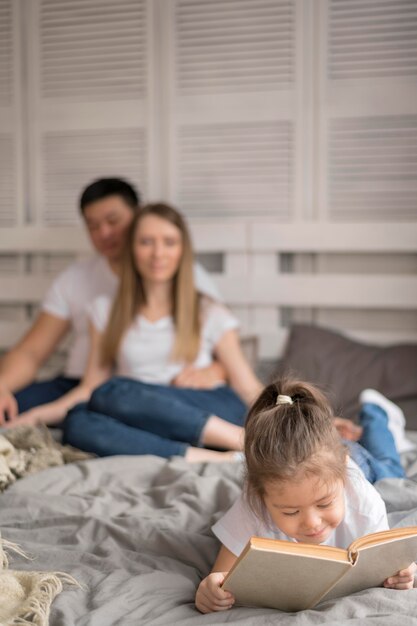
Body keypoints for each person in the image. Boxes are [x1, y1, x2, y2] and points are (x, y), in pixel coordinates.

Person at [12, 203, 264, 462]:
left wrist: (285, 418)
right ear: (131, 249)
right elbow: (89, 388)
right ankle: (217, 459)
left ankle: (251, 443)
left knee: (113, 391)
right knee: (77, 421)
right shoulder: (104, 311)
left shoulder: (208, 310)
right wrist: (33, 416)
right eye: (146, 242)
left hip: (209, 408)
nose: (158, 253)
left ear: (182, 250)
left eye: (169, 242)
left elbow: (247, 386)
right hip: (139, 413)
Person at [0, 179, 225, 424]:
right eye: (93, 226)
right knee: (13, 410)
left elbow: (223, 345)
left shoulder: (179, 274)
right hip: (80, 384)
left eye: (113, 221)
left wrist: (217, 371)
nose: (104, 233)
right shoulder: (75, 279)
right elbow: (31, 352)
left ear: (139, 217)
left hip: (147, 390)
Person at [195, 379, 416, 613]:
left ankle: (376, 412)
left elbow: (390, 568)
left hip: (356, 459)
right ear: (260, 495)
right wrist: (211, 592)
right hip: (322, 463)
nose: (312, 523)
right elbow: (222, 578)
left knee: (390, 469)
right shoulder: (254, 503)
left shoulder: (363, 499)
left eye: (324, 503)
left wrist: (404, 575)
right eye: (290, 511)